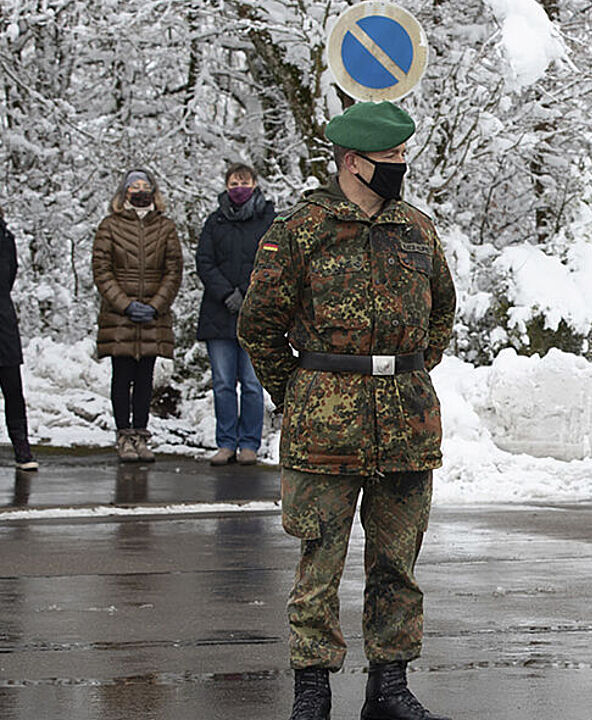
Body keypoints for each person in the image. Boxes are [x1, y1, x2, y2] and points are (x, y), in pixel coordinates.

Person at [238, 101, 456, 720]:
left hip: (407, 425)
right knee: (319, 562)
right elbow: (260, 326)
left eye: (401, 156)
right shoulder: (299, 230)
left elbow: (442, 309)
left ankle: (389, 685)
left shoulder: (416, 228)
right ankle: (313, 689)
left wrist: (408, 369)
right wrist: (303, 394)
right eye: (388, 158)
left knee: (397, 562)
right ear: (352, 162)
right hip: (323, 424)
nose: (399, 167)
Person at [92, 169, 183, 463]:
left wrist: (156, 305)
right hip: (120, 316)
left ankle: (141, 435)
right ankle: (124, 436)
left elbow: (174, 270)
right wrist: (125, 304)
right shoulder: (110, 226)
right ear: (124, 192)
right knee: (122, 377)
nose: (140, 190)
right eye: (135, 186)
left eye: (145, 186)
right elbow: (102, 270)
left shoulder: (166, 227)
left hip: (153, 315)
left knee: (145, 378)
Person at [196, 163, 275, 466]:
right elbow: (204, 260)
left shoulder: (268, 219)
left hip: (254, 314)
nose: (238, 186)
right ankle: (226, 442)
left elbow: (271, 259)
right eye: (233, 182)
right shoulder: (215, 221)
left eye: (244, 181)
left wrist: (245, 292)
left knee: (253, 384)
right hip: (219, 313)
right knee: (223, 383)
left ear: (255, 183)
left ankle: (250, 444)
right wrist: (226, 294)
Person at [0, 207, 37, 471]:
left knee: (13, 388)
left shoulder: (5, 237)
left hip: (2, 321)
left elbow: (8, 277)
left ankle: (21, 446)